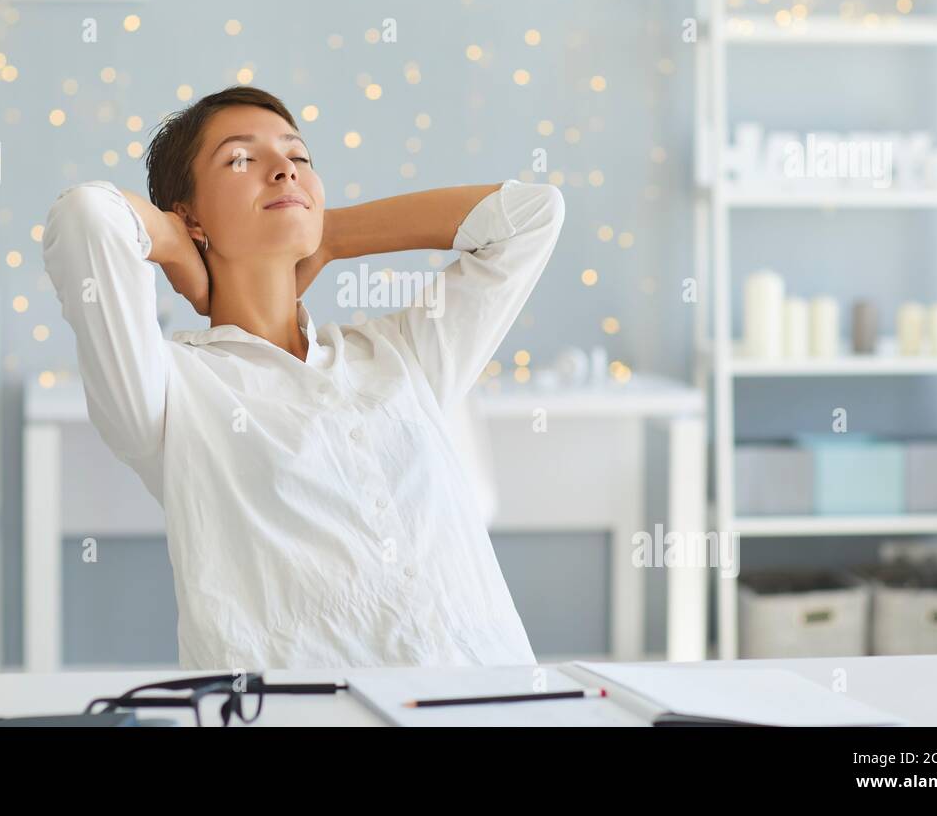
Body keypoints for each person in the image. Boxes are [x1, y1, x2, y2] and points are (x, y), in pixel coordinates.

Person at [42, 86, 565, 670]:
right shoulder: (168, 392)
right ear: (188, 214)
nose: (284, 170)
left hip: (498, 701)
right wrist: (173, 248)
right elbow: (85, 216)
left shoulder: (400, 357)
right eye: (241, 158)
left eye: (300, 157)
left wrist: (335, 234)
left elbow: (532, 216)